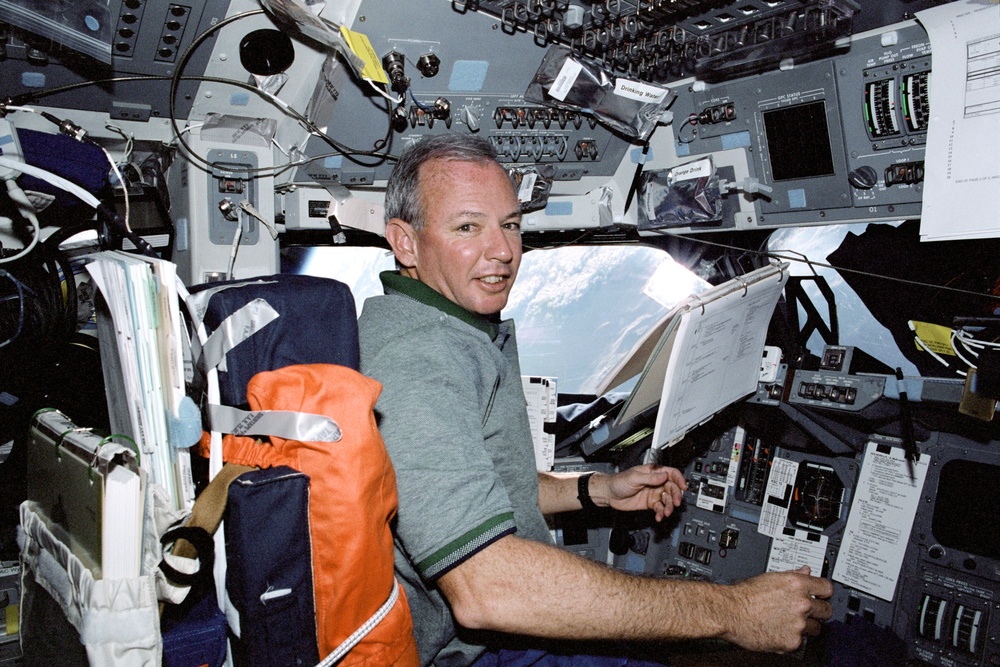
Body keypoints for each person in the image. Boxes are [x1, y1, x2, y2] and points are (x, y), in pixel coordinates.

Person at [357, 133, 833, 667]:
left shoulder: (451, 329)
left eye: (510, 225)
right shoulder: (417, 357)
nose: (504, 251)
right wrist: (734, 611)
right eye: (468, 227)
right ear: (405, 242)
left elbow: (478, 485)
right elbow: (488, 588)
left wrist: (596, 491)